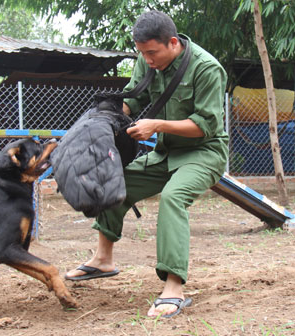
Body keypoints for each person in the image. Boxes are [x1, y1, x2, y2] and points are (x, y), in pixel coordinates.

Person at [65, 10, 229, 318]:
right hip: (166, 153)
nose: (147, 60)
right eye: (142, 53)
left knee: (173, 198)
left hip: (204, 152)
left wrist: (157, 126)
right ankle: (103, 260)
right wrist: (106, 117)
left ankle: (174, 287)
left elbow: (204, 126)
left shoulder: (207, 69)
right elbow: (134, 99)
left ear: (172, 43)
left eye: (152, 53)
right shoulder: (147, 58)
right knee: (116, 183)